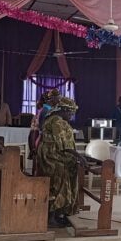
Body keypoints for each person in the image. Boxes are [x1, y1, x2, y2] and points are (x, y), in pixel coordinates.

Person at [37, 96, 80, 226]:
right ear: (64, 110)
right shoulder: (57, 121)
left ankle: (59, 213)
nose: (71, 116)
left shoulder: (52, 117)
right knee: (61, 179)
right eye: (71, 113)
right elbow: (63, 145)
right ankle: (52, 218)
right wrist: (80, 156)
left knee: (68, 172)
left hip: (50, 155)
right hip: (52, 158)